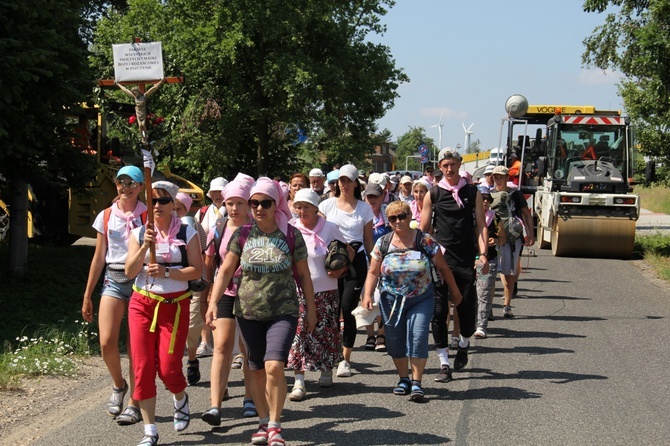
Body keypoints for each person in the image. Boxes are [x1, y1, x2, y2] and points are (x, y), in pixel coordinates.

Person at [206, 177, 316, 446]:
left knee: (274, 364)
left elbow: (303, 274)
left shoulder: (290, 234)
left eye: (264, 203)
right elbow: (226, 271)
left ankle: (276, 426)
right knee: (255, 369)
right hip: (248, 311)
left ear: (275, 204)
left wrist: (311, 309)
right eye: (253, 203)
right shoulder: (242, 234)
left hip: (283, 310)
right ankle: (263, 423)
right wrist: (212, 303)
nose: (258, 208)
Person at [125, 181, 204, 446]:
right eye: (152, 201)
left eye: (162, 201)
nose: (157, 206)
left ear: (173, 204)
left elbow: (197, 270)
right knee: (142, 367)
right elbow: (128, 271)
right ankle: (150, 430)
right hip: (142, 303)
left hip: (175, 305)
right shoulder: (138, 233)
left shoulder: (187, 231)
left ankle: (180, 397)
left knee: (169, 368)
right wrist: (144, 248)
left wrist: (167, 272)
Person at [362, 201, 462, 401]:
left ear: (410, 217)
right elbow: (373, 272)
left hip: (421, 297)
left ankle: (417, 382)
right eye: (392, 218)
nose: (398, 221)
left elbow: (443, 268)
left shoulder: (425, 240)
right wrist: (366, 295)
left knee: (418, 336)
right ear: (388, 221)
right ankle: (403, 378)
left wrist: (455, 291)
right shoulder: (383, 242)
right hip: (390, 300)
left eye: (402, 216)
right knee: (395, 340)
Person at [81, 166, 146, 425]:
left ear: (141, 187)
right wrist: (87, 295)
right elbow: (98, 257)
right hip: (114, 279)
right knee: (107, 341)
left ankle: (135, 403)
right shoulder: (106, 216)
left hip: (141, 282)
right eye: (121, 182)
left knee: (135, 347)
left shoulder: (149, 214)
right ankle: (119, 385)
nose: (126, 187)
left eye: (132, 183)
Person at [420, 149, 489, 383]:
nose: (450, 169)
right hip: (441, 259)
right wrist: (423, 255)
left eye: (453, 164)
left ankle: (463, 344)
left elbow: (481, 226)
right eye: (445, 165)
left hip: (465, 258)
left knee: (466, 311)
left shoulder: (472, 192)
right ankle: (443, 363)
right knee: (438, 312)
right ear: (440, 166)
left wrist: (483, 255)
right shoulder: (434, 194)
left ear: (460, 164)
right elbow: (424, 229)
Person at [201, 173, 257, 425]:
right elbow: (210, 261)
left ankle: (249, 397)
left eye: (240, 203)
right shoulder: (219, 227)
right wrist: (206, 293)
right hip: (224, 290)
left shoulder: (258, 228)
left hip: (252, 292)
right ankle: (215, 405)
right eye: (230, 203)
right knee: (221, 345)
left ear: (248, 204)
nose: (234, 208)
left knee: (247, 347)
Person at [287, 188, 348, 401]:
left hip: (327, 289)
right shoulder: (291, 229)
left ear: (316, 209)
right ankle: (299, 381)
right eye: (298, 207)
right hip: (298, 291)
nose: (302, 211)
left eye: (306, 207)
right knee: (300, 333)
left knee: (326, 331)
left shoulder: (330, 228)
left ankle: (326, 370)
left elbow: (347, 250)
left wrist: (339, 268)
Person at [319, 164, 374, 378]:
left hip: (356, 260)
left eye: (349, 180)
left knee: (347, 306)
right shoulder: (326, 206)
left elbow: (369, 243)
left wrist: (376, 268)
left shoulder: (364, 209)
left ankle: (345, 358)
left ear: (355, 183)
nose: (344, 184)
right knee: (331, 309)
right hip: (332, 260)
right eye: (341, 180)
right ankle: (329, 355)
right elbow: (320, 237)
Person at [490, 166, 535, 318]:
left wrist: (530, 233)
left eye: (501, 176)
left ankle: (507, 305)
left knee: (508, 272)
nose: (498, 179)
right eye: (496, 176)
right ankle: (487, 307)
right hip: (493, 237)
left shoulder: (515, 194)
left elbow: (526, 214)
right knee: (489, 274)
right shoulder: (488, 195)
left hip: (511, 238)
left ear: (507, 178)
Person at [174, 192, 209, 386]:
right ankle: (175, 364)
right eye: (173, 208)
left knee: (192, 324)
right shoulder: (164, 228)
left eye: (179, 209)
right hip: (172, 282)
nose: (175, 212)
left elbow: (204, 255)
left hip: (194, 282)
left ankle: (192, 357)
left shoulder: (196, 227)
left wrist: (204, 279)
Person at [195, 176, 228, 357]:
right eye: (214, 191)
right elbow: (196, 233)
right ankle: (205, 341)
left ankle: (233, 345)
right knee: (206, 298)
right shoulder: (203, 212)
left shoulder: (233, 210)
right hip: (206, 261)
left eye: (220, 191)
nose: (217, 194)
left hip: (226, 262)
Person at [363, 182, 390, 352]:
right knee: (367, 298)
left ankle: (381, 333)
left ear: (382, 197)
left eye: (375, 196)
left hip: (384, 261)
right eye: (369, 196)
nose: (372, 200)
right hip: (365, 261)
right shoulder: (362, 215)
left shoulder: (387, 215)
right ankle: (370, 335)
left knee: (382, 298)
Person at [474, 185, 499, 339]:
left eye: (487, 199)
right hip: (469, 259)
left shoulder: (494, 217)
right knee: (471, 294)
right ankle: (471, 321)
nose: (484, 202)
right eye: (481, 199)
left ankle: (481, 326)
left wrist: (495, 240)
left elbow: (501, 236)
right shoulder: (468, 216)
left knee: (483, 293)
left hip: (488, 260)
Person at [116, 79, 165, 145]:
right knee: (140, 126)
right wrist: (118, 84)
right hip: (138, 113)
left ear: (138, 91)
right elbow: (125, 90)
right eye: (133, 93)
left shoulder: (144, 96)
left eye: (135, 92)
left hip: (143, 112)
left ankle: (145, 137)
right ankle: (143, 137)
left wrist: (160, 82)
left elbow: (153, 88)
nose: (134, 93)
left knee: (143, 125)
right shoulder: (135, 97)